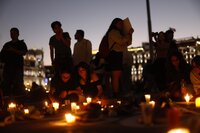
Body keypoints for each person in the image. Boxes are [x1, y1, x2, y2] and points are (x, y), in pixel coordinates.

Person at [104, 18, 133, 98]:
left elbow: (128, 43)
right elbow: (121, 41)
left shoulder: (120, 33)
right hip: (115, 55)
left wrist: (130, 34)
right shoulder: (113, 32)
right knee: (116, 76)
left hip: (119, 54)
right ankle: (116, 94)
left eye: (122, 24)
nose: (121, 25)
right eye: (120, 23)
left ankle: (118, 93)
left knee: (118, 75)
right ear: (115, 24)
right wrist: (128, 34)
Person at [0, 27, 28, 97]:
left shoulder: (21, 43)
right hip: (7, 69)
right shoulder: (7, 44)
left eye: (14, 33)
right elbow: (1, 55)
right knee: (6, 86)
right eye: (11, 33)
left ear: (18, 34)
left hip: (17, 68)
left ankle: (18, 103)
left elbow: (24, 52)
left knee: (18, 87)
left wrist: (13, 50)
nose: (12, 35)